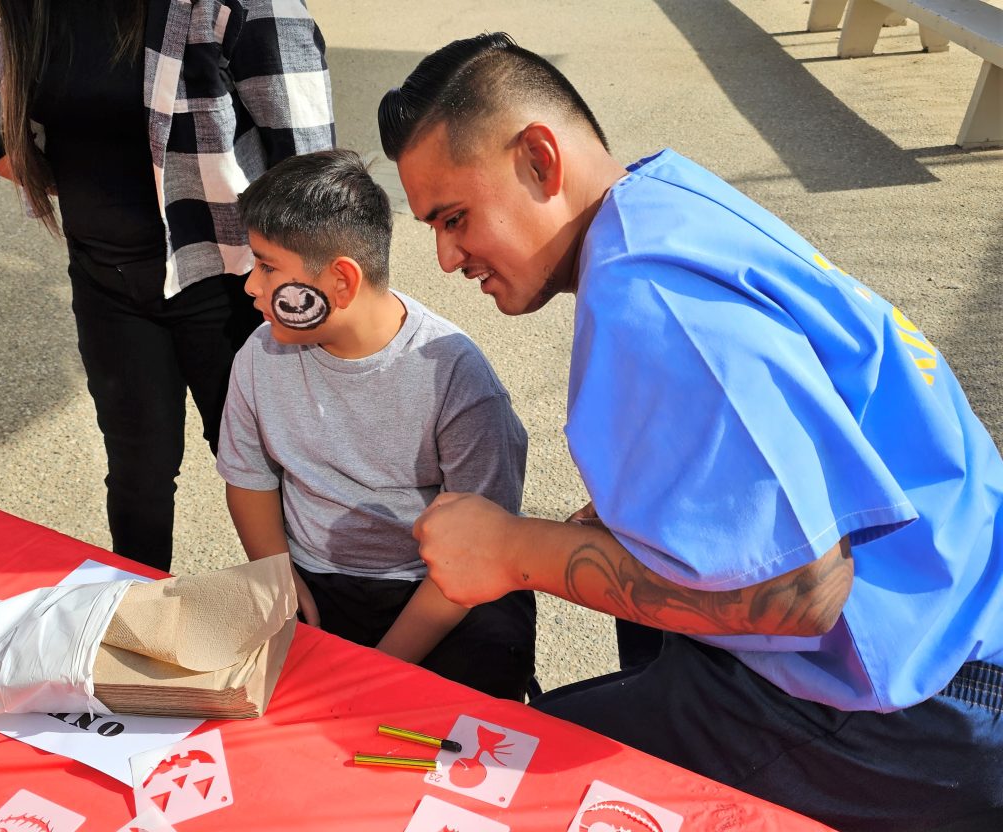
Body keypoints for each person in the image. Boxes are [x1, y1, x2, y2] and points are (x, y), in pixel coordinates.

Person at [377, 32, 1003, 830]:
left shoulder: (654, 300)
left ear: (540, 158)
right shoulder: (664, 199)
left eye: (455, 217)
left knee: (482, 788)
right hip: (953, 612)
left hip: (918, 700)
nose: (445, 256)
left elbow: (802, 592)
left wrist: (513, 552)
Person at [0, 0, 334, 572]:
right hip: (104, 278)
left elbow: (313, 170)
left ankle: (318, 631)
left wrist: (303, 303)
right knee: (137, 474)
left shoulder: (239, 6)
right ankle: (139, 618)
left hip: (232, 284)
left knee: (273, 469)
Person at [216, 149, 536, 700]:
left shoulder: (458, 379)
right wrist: (279, 576)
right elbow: (249, 477)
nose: (250, 284)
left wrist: (378, 670)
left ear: (341, 280)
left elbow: (482, 551)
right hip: (317, 582)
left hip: (439, 588)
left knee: (474, 697)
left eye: (268, 267)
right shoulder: (259, 355)